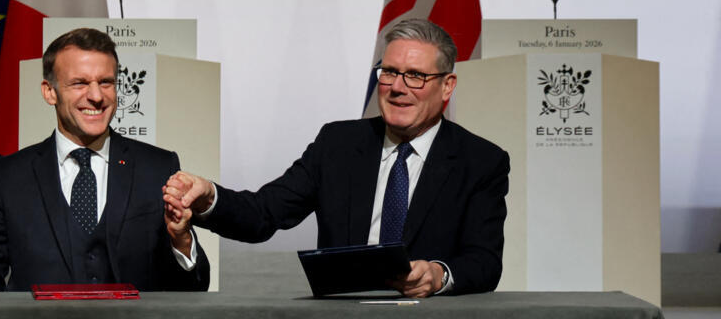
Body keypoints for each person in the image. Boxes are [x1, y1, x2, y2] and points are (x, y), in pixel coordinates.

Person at [164, 18, 509, 297]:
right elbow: (262, 214)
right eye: (389, 72)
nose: (397, 87)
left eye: (415, 76)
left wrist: (439, 274)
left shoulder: (481, 161)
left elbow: (485, 261)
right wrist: (209, 196)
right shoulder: (338, 144)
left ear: (447, 85)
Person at [0, 27, 209, 291]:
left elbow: (193, 287)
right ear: (49, 92)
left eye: (106, 82)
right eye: (80, 83)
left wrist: (182, 241)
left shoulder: (158, 167)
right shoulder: (8, 176)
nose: (96, 96)